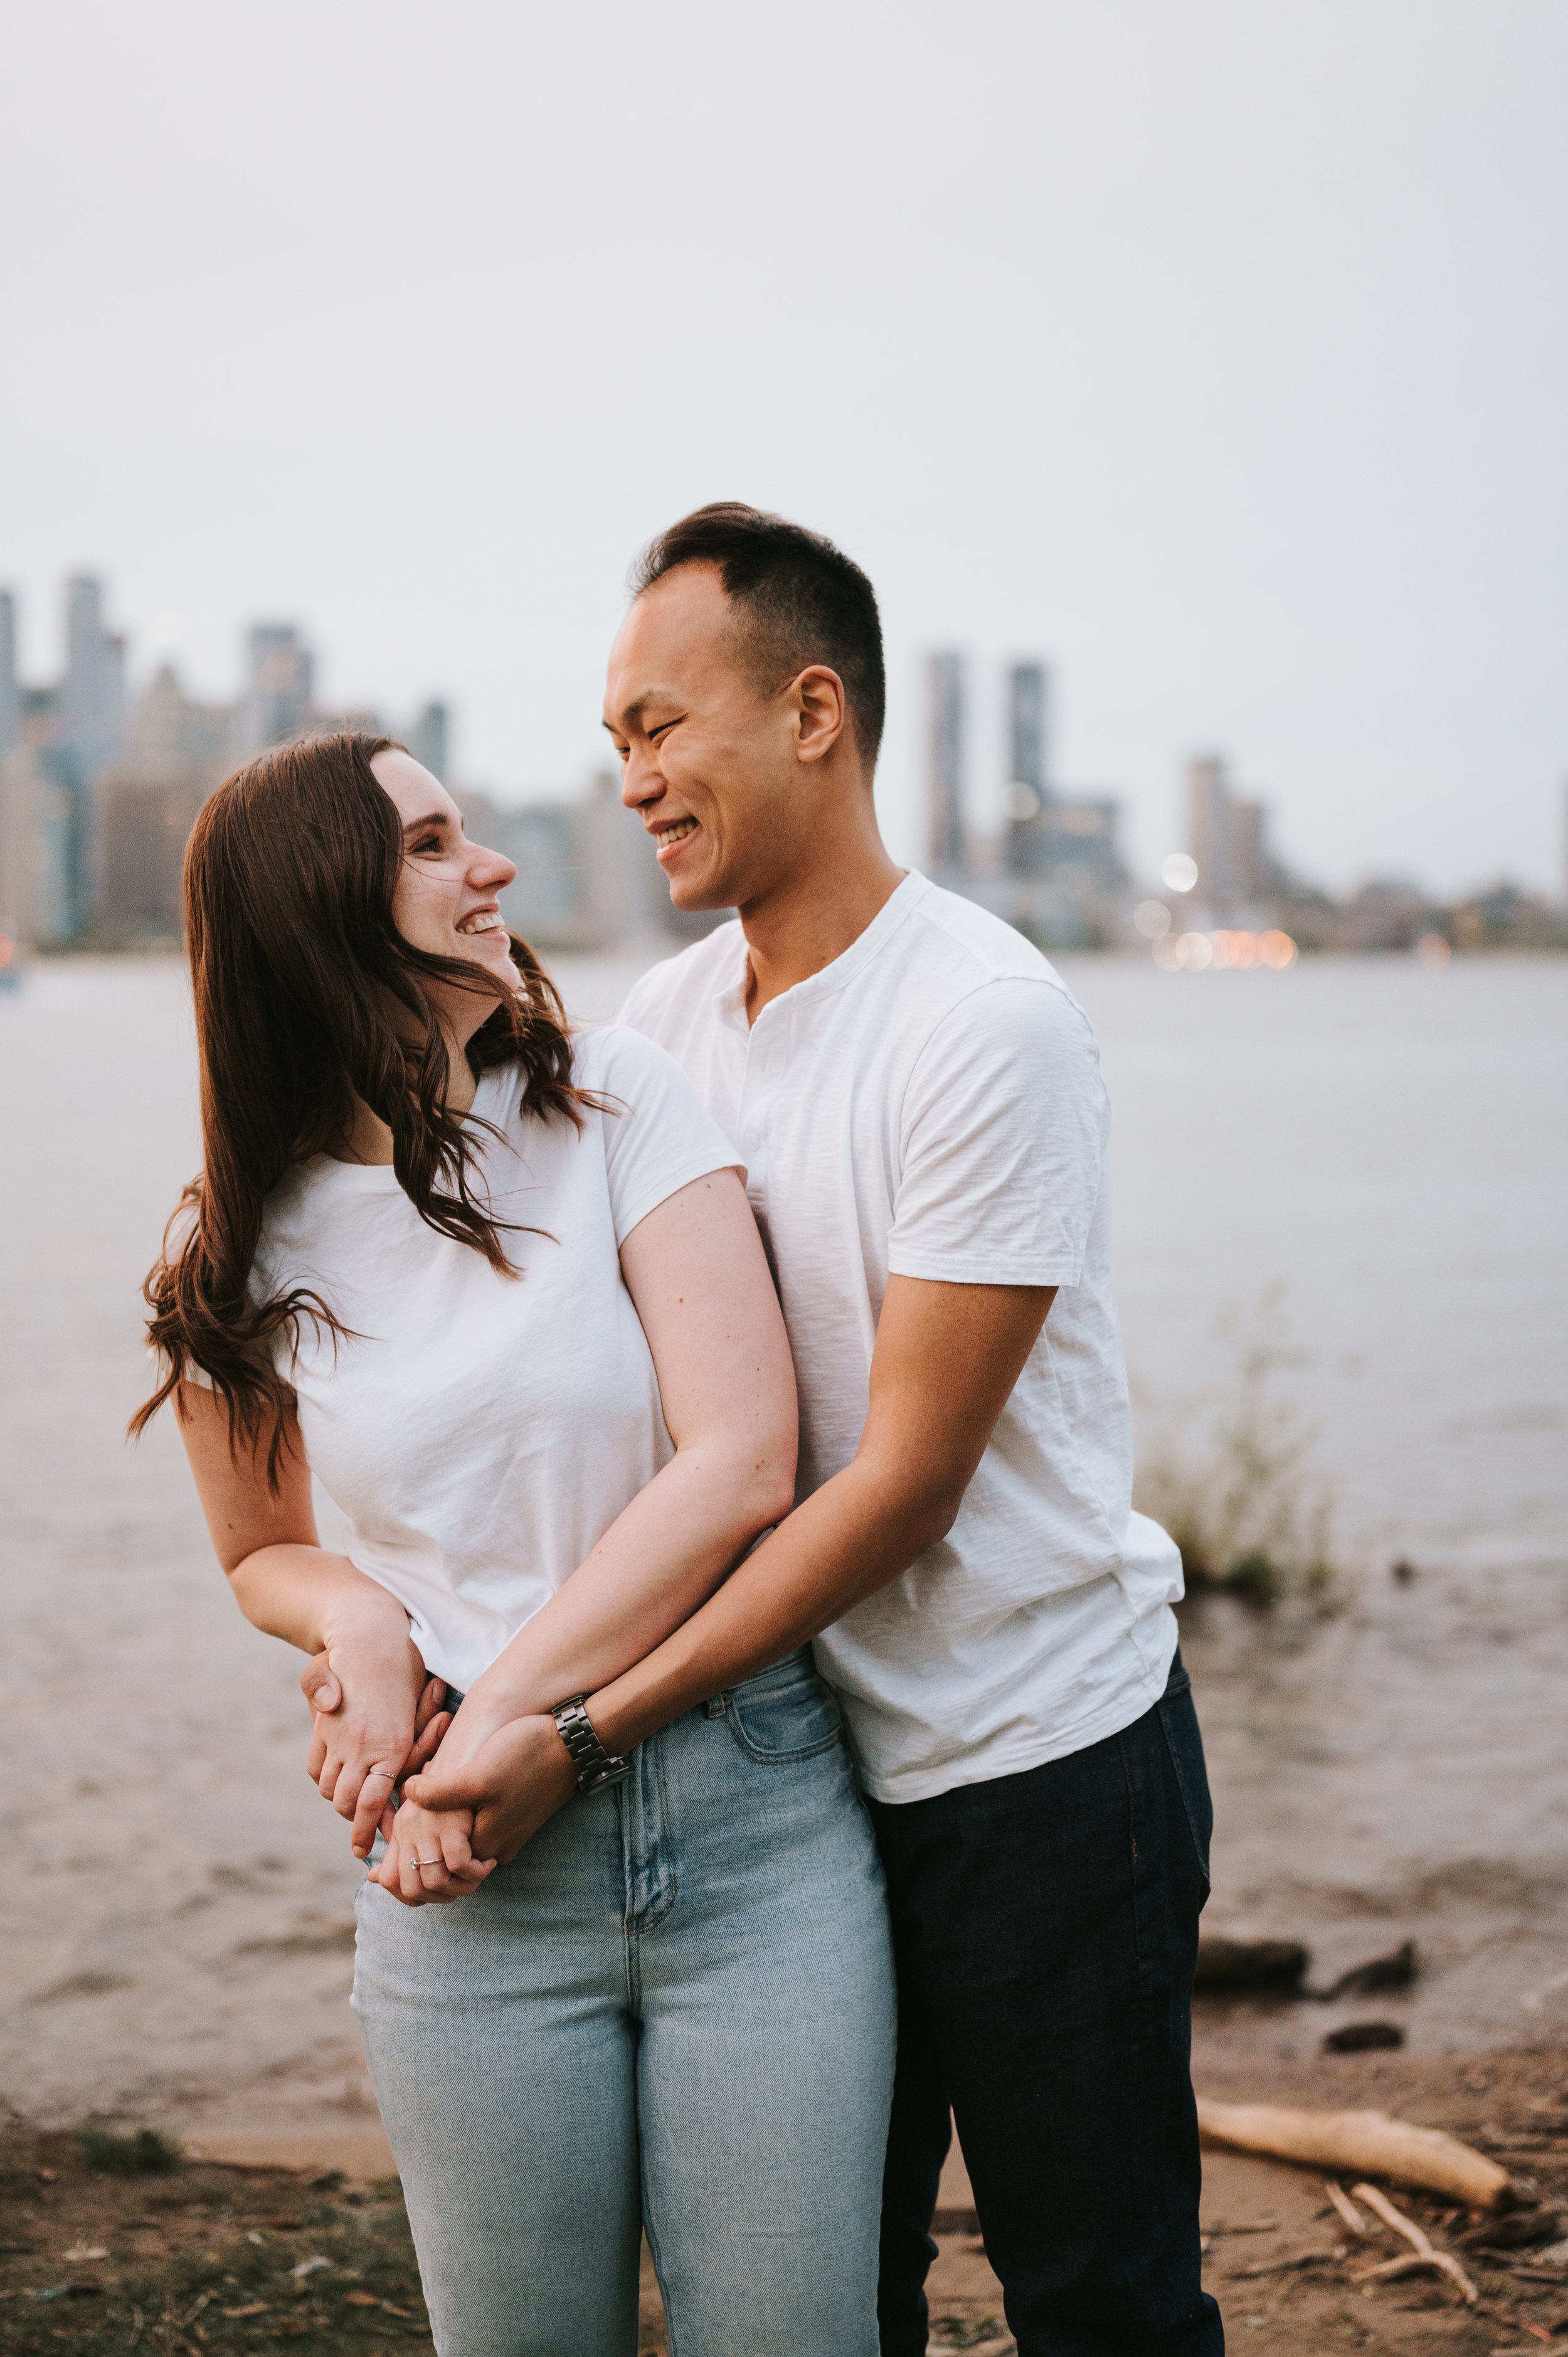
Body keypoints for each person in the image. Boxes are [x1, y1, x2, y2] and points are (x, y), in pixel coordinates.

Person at [408, 508, 1224, 2355]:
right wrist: (373, 1626)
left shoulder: (981, 1023)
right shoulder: (665, 1024)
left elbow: (906, 1489)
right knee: (817, 2299)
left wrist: (587, 1728)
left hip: (1036, 1764)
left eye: (658, 725)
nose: (628, 778)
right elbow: (581, 1390)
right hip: (798, 1784)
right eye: (613, 739)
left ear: (811, 713)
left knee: (1097, 2295)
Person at [134, 729, 896, 2357]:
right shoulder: (229, 1247)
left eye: (466, 833)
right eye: (429, 844)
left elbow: (740, 1459)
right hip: (470, 1897)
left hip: (744, 1838)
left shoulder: (621, 1103)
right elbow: (262, 1550)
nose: (490, 870)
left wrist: (498, 1722)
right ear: (316, 910)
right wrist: (358, 1630)